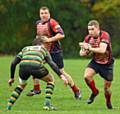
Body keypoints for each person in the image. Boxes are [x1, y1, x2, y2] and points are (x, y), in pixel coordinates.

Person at [27, 6, 81, 99]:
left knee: (61, 72)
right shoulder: (38, 23)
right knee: (33, 65)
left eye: (45, 13)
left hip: (55, 52)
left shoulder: (52, 22)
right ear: (39, 14)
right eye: (42, 13)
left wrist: (49, 40)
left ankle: (76, 90)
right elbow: (38, 36)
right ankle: (36, 89)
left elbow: (61, 34)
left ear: (49, 14)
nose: (44, 15)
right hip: (43, 51)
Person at [7, 37, 68, 111]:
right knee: (51, 80)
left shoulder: (25, 48)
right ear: (41, 43)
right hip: (36, 67)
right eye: (47, 43)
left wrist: (12, 78)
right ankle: (47, 105)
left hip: (23, 67)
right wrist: (61, 76)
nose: (48, 44)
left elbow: (13, 63)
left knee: (21, 85)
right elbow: (51, 64)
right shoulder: (43, 49)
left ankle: (9, 106)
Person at [79, 20, 114, 109]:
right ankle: (95, 92)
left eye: (92, 29)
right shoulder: (88, 38)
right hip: (95, 62)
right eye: (89, 29)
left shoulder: (104, 35)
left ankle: (108, 102)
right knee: (87, 76)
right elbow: (81, 53)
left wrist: (89, 48)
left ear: (98, 29)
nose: (90, 32)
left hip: (107, 64)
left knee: (107, 89)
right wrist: (85, 50)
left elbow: (102, 50)